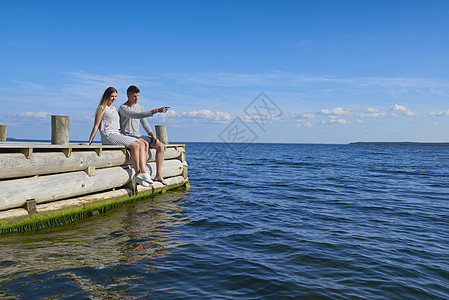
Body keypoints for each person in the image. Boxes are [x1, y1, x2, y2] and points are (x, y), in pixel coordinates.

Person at [80, 87, 153, 187]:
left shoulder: (114, 109)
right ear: (106, 96)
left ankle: (142, 173)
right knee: (135, 146)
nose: (114, 99)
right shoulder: (101, 108)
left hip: (117, 134)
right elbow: (96, 126)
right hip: (108, 135)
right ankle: (137, 173)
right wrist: (89, 142)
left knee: (141, 143)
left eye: (115, 97)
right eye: (112, 96)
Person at [119, 85, 170, 185]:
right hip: (128, 136)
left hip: (138, 135)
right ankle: (142, 173)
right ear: (128, 96)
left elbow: (144, 123)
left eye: (138, 96)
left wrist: (154, 137)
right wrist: (156, 111)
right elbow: (136, 115)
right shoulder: (123, 108)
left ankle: (158, 175)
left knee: (160, 146)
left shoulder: (140, 107)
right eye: (134, 96)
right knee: (144, 144)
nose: (136, 98)